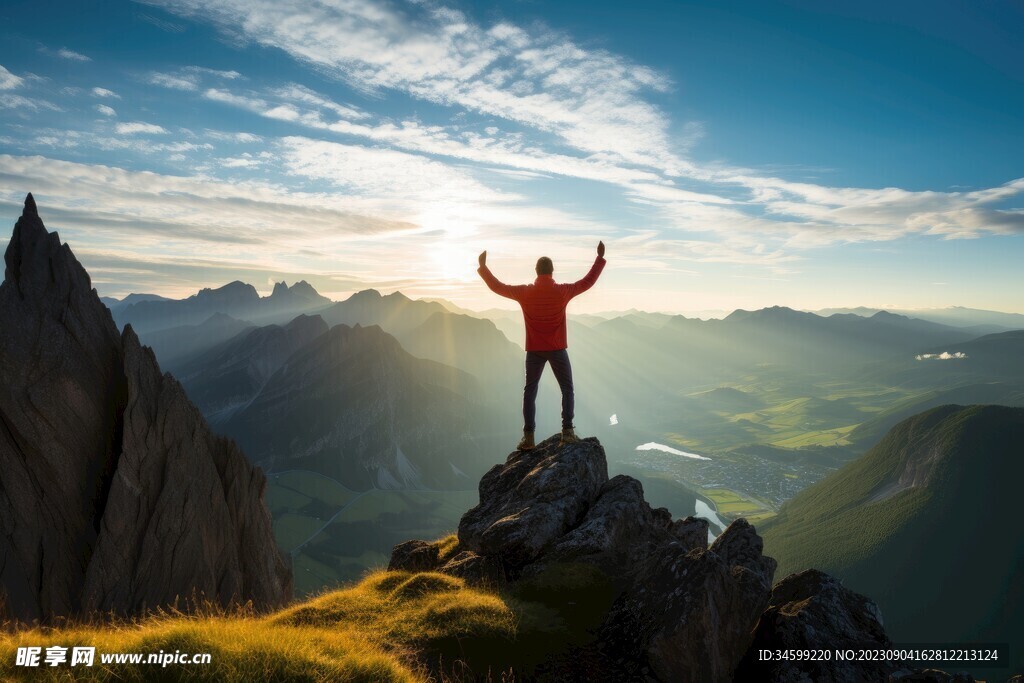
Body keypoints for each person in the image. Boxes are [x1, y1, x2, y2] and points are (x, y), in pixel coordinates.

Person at [477, 242, 607, 450]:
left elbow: (498, 287)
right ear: (552, 271)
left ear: (536, 272)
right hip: (557, 349)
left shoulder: (525, 293)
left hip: (534, 350)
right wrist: (599, 259)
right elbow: (587, 282)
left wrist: (483, 268)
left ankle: (528, 438)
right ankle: (568, 432)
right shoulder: (563, 292)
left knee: (530, 390)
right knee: (567, 389)